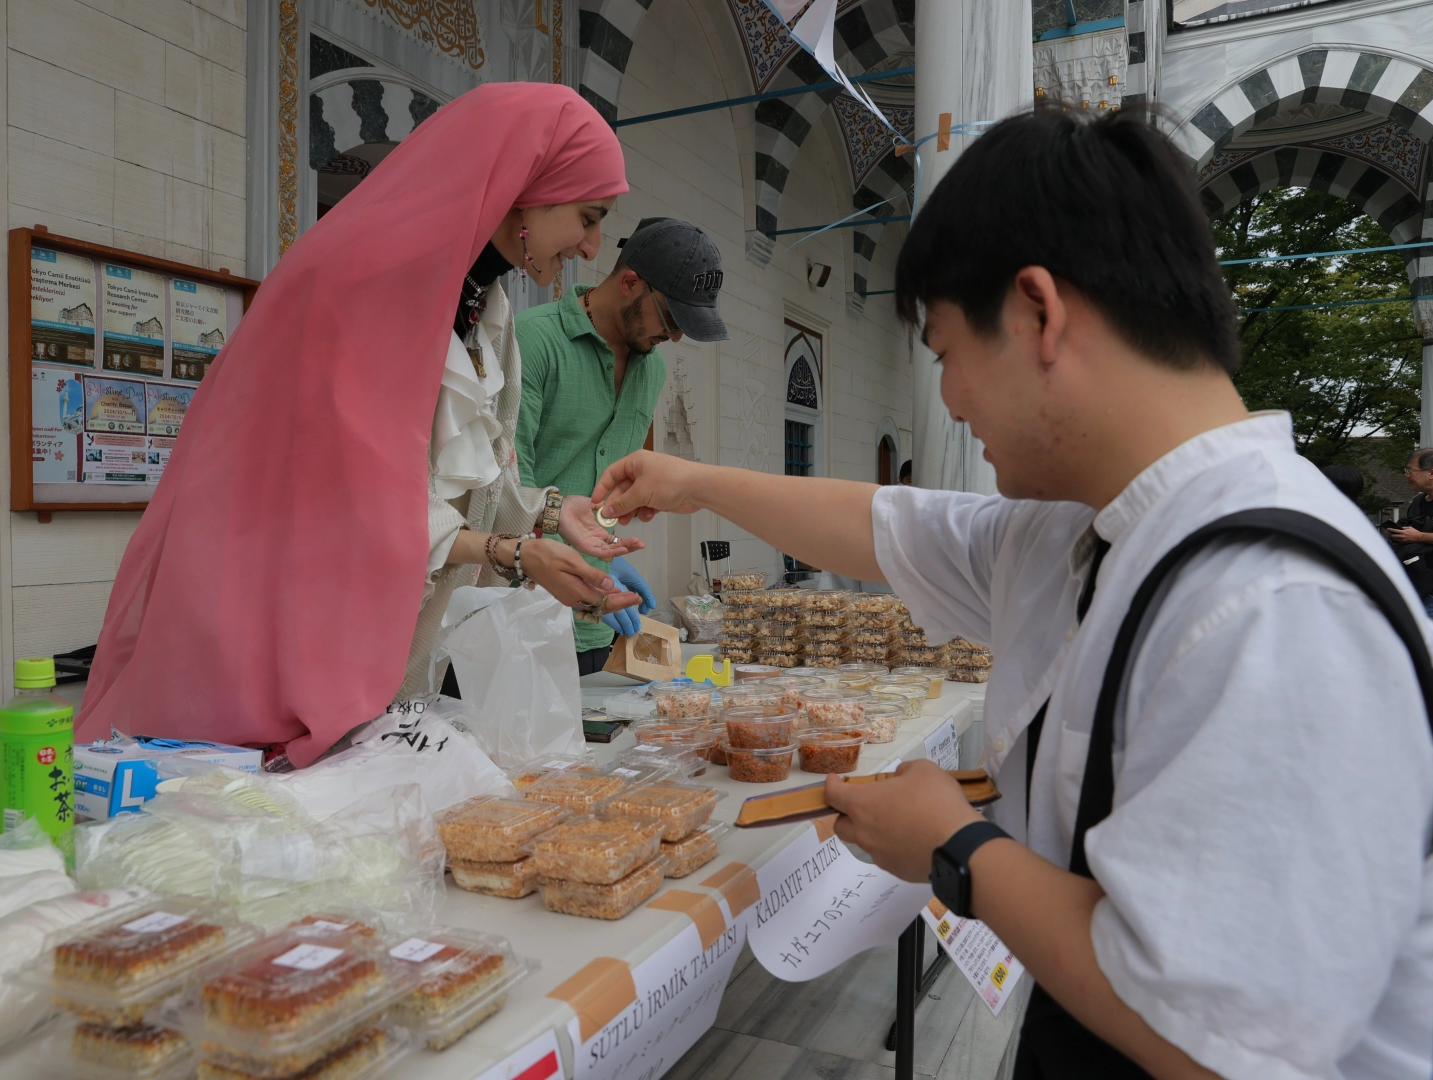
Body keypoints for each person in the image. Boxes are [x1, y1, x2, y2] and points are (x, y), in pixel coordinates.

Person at [591, 106, 1432, 1080]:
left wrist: (956, 848)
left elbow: (1214, 1044)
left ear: (1037, 310)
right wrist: (687, 483)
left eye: (946, 353)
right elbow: (884, 526)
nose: (947, 400)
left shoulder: (1274, 608)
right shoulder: (1093, 529)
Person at [77, 83, 647, 768]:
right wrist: (513, 555)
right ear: (528, 186)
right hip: (281, 649)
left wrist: (553, 514)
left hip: (389, 665)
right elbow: (347, 503)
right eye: (587, 217)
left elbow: (458, 480)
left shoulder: (485, 310)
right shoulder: (358, 281)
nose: (591, 248)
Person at [516, 217, 728, 672]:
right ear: (630, 282)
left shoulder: (651, 370)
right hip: (519, 622)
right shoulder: (534, 341)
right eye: (672, 319)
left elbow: (608, 493)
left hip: (597, 619)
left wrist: (604, 568)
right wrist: (570, 560)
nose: (673, 338)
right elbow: (507, 488)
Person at [1387, 448, 1433, 616]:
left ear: (1431, 474)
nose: (1406, 475)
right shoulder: (1418, 501)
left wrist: (1419, 536)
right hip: (1418, 583)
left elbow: (1417, 535)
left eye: (1410, 470)